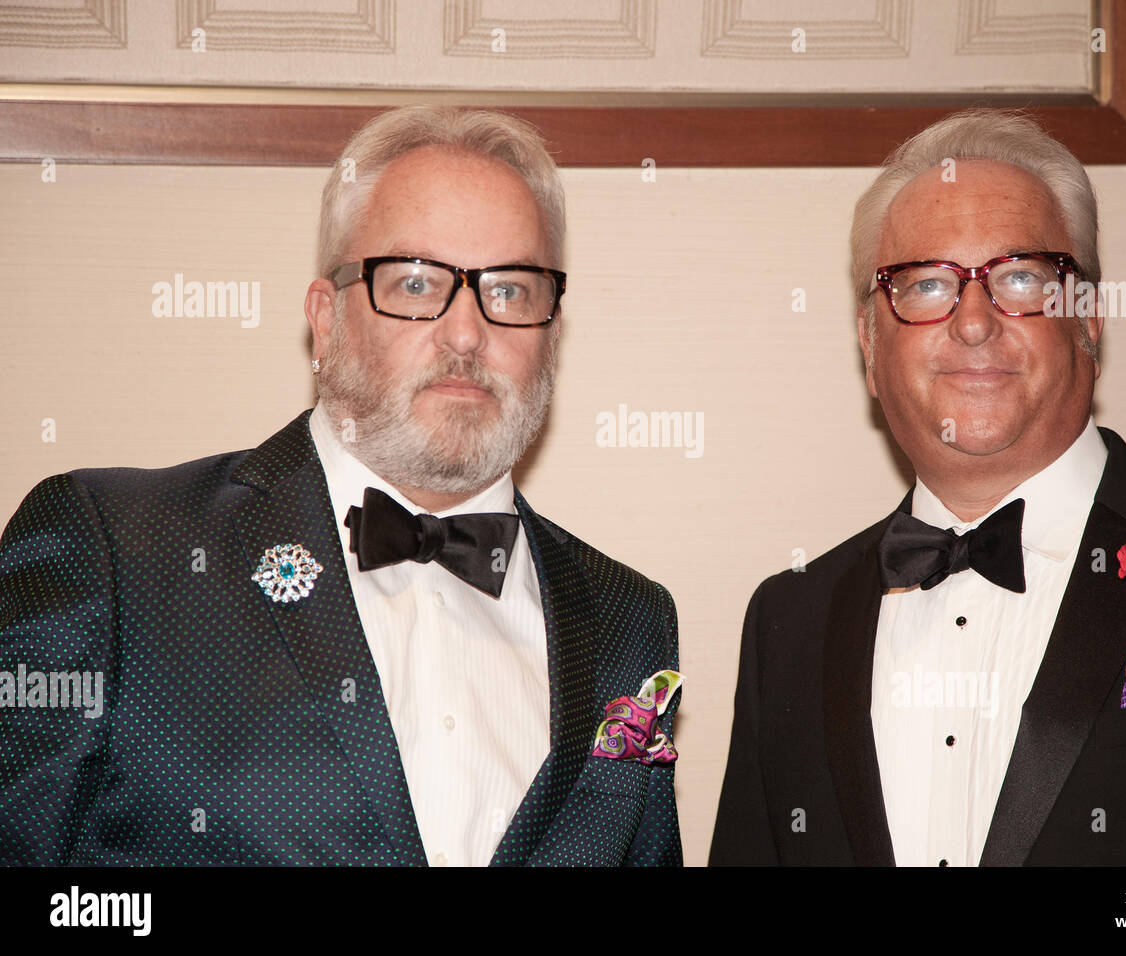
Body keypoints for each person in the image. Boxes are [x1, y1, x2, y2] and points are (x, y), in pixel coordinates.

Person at [0, 106, 681, 866]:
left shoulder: (632, 619)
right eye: (417, 283)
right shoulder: (113, 549)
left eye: (511, 291)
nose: (466, 333)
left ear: (552, 333)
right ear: (324, 322)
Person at [709, 108, 1126, 866]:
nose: (976, 322)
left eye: (1021, 278)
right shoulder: (787, 622)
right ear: (869, 344)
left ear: (1087, 318)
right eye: (925, 285)